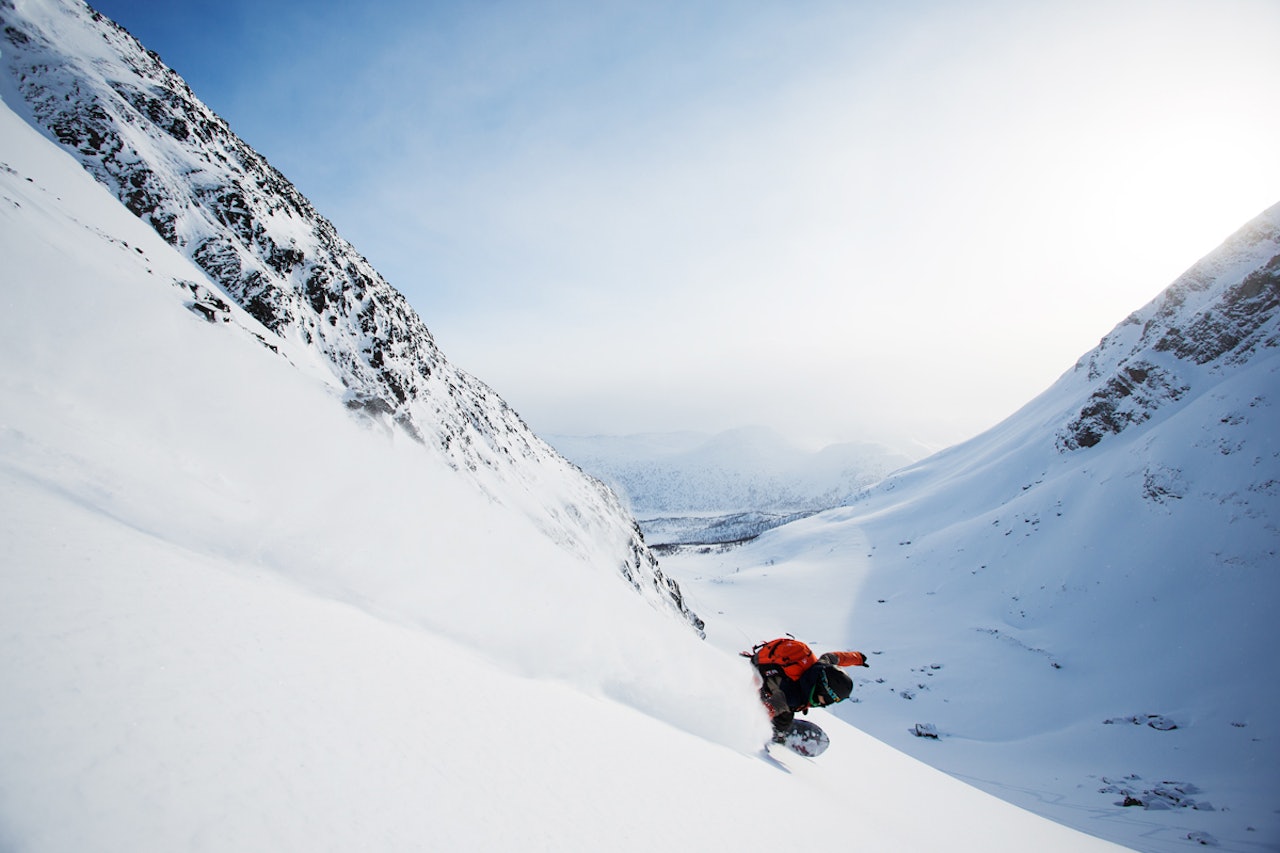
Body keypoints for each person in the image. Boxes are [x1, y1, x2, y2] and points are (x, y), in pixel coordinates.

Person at [745, 637, 869, 741]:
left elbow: (834, 657)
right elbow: (769, 708)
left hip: (772, 666)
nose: (825, 704)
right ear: (824, 689)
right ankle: (776, 734)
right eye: (829, 699)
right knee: (784, 717)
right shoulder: (793, 697)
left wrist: (857, 658)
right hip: (763, 678)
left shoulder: (820, 667)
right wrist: (755, 732)